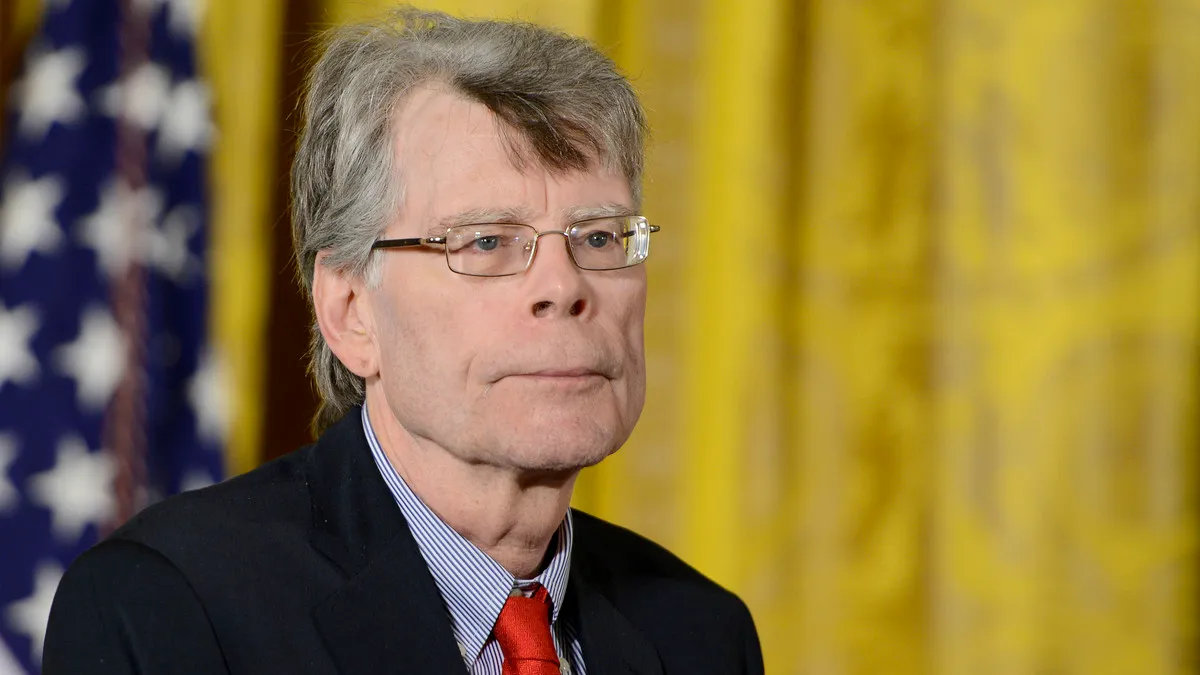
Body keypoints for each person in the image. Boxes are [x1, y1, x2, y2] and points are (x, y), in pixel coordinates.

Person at [43, 7, 764, 674]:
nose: (565, 284)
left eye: (599, 236)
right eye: (487, 241)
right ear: (351, 310)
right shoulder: (169, 607)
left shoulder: (700, 633)